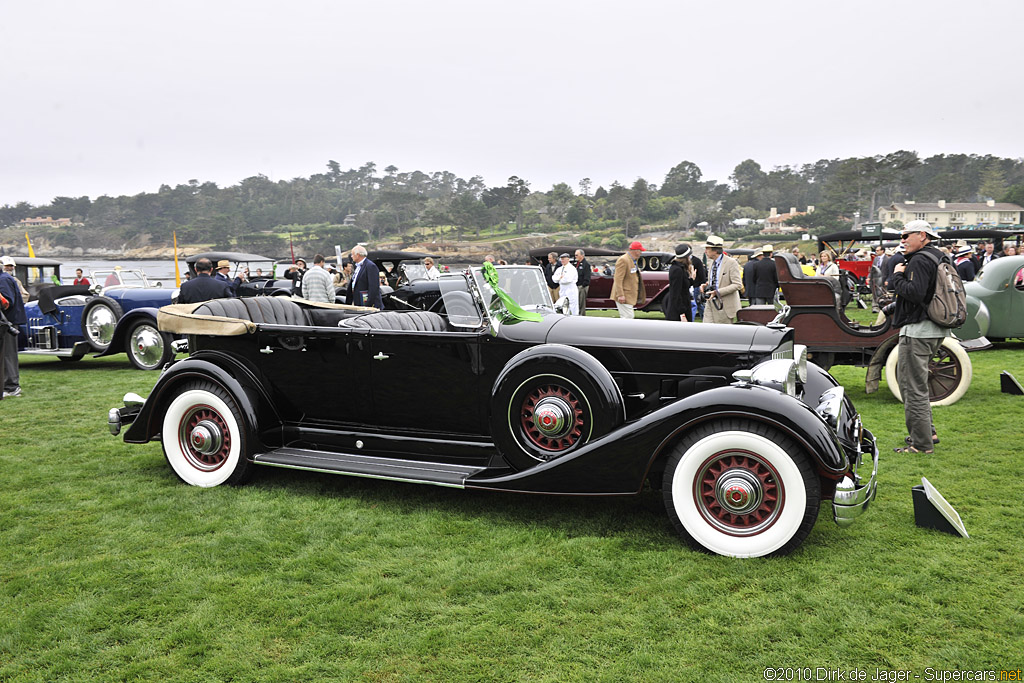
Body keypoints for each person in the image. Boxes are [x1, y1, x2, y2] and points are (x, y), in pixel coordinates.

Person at [889, 220, 948, 454]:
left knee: (912, 388)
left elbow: (915, 293)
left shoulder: (920, 259)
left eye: (906, 235)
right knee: (917, 386)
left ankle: (921, 445)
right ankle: (927, 433)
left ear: (922, 235)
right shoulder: (939, 256)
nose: (902, 240)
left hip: (918, 331)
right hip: (934, 329)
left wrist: (897, 277)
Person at [700, 236, 742, 324]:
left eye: (707, 248)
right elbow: (716, 280)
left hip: (725, 306)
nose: (705, 251)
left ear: (715, 250)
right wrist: (706, 285)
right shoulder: (712, 262)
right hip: (710, 304)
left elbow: (737, 284)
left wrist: (718, 292)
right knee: (706, 331)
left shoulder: (731, 263)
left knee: (722, 334)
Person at [0, 256, 26, 397]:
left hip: (7, 323)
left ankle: (12, 387)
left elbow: (6, 302)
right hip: (5, 322)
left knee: (8, 355)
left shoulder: (3, 280)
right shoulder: (5, 278)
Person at [610, 241, 646, 318]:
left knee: (628, 317)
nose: (641, 253)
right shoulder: (623, 260)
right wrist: (620, 295)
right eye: (640, 251)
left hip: (629, 296)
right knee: (628, 317)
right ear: (636, 251)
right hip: (625, 295)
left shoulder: (632, 260)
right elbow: (618, 279)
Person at [665, 243, 699, 322]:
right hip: (678, 312)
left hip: (682, 308)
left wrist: (692, 279)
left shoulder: (680, 268)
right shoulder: (677, 270)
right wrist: (682, 313)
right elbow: (676, 293)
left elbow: (683, 286)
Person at [574, 249, 591, 315]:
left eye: (577, 255)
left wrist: (583, 285)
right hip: (576, 285)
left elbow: (587, 277)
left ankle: (582, 315)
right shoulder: (576, 264)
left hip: (582, 286)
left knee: (581, 303)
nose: (575, 256)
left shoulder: (586, 264)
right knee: (576, 302)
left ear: (582, 255)